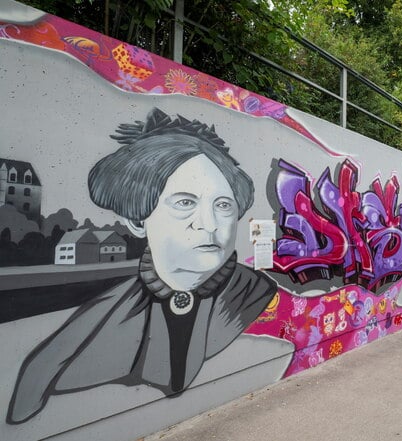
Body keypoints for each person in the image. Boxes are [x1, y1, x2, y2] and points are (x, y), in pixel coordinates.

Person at [7, 108, 285, 424]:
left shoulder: (263, 297)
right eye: (185, 203)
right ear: (138, 220)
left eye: (223, 205)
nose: (209, 224)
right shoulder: (79, 340)